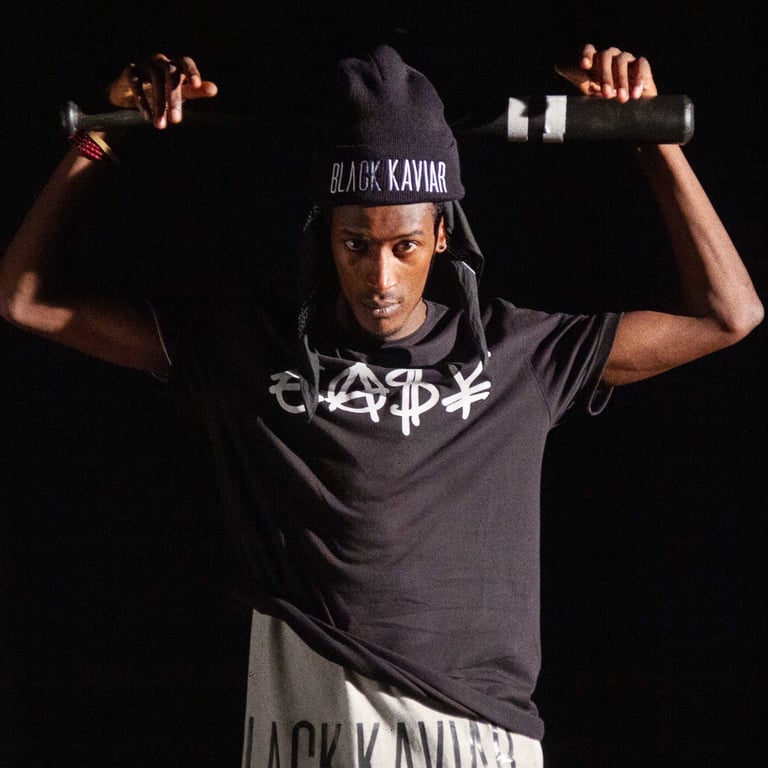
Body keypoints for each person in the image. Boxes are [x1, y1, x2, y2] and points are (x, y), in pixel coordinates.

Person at [1, 43, 762, 767]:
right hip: (311, 736)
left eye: (405, 246)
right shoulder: (252, 352)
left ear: (443, 234)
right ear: (324, 235)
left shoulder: (519, 354)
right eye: (355, 245)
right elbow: (25, 299)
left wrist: (648, 136)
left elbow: (730, 313)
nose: (381, 280)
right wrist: (102, 135)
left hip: (473, 737)